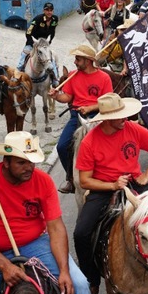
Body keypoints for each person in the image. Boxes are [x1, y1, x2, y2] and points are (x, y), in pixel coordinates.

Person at [0, 131, 92, 294]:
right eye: (21, 162)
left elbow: (55, 227)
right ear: (6, 162)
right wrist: (4, 266)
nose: (28, 167)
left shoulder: (43, 181)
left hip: (37, 245)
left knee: (80, 284)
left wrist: (64, 270)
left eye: (31, 161)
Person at [73, 94, 148, 294]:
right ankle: (92, 280)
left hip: (134, 183)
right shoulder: (90, 142)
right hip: (103, 188)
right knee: (81, 233)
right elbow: (85, 181)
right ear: (106, 119)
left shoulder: (132, 129)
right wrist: (112, 185)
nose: (125, 119)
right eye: (120, 116)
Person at [49, 44, 114, 193]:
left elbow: (109, 101)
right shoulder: (72, 75)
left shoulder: (104, 77)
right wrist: (56, 96)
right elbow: (67, 97)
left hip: (97, 116)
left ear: (88, 60)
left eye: (78, 59)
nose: (75, 62)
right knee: (62, 146)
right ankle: (71, 179)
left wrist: (90, 108)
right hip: (76, 116)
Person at [17, 3, 59, 84]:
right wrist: (33, 43)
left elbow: (53, 32)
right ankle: (18, 74)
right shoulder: (38, 19)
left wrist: (48, 42)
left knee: (51, 58)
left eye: (51, 10)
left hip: (44, 44)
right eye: (47, 10)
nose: (49, 12)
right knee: (24, 55)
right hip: (33, 42)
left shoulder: (55, 19)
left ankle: (54, 78)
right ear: (44, 11)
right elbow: (28, 32)